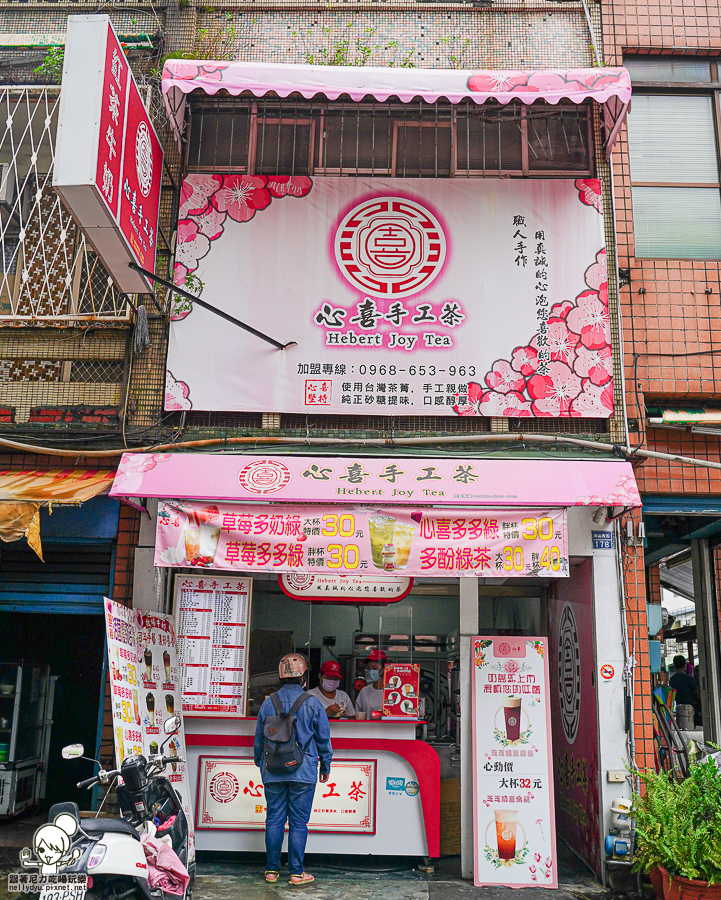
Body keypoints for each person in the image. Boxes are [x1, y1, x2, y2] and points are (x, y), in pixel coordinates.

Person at [253, 653, 332, 885]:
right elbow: (323, 739)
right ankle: (296, 873)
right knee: (298, 822)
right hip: (304, 771)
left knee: (274, 819)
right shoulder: (313, 703)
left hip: (273, 771)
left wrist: (261, 763)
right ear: (304, 677)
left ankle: (271, 871)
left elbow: (259, 739)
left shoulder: (268, 703)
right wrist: (325, 765)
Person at [669, 654, 701, 727]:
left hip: (679, 709)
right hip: (692, 709)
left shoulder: (672, 680)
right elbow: (696, 694)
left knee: (681, 726)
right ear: (684, 665)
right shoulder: (689, 679)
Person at [355, 649, 387, 716]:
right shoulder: (364, 691)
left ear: (384, 669)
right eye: (369, 668)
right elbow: (358, 714)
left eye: (374, 668)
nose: (371, 671)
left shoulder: (392, 691)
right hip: (367, 726)